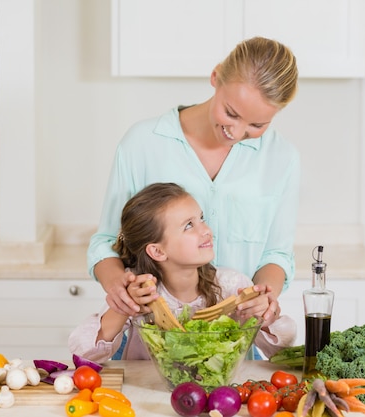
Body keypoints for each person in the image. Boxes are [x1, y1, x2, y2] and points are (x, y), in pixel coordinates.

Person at [88, 36, 300, 328]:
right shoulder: (142, 144)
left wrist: (264, 296)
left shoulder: (281, 158)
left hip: (234, 342)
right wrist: (117, 286)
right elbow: (107, 241)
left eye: (256, 125)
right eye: (231, 113)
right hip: (151, 336)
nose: (237, 133)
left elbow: (276, 254)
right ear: (215, 77)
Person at [70, 183, 296, 362]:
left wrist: (266, 316)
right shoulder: (141, 293)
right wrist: (124, 307)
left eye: (202, 219)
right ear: (157, 251)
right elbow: (84, 354)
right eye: (189, 225)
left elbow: (280, 350)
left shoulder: (232, 286)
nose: (206, 230)